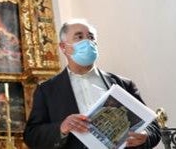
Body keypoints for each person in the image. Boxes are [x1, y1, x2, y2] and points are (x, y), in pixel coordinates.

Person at [23, 19, 161, 149]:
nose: (87, 41)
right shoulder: (47, 90)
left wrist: (145, 136)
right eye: (79, 37)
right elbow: (31, 135)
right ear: (63, 47)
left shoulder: (124, 84)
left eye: (91, 37)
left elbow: (153, 127)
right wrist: (61, 128)